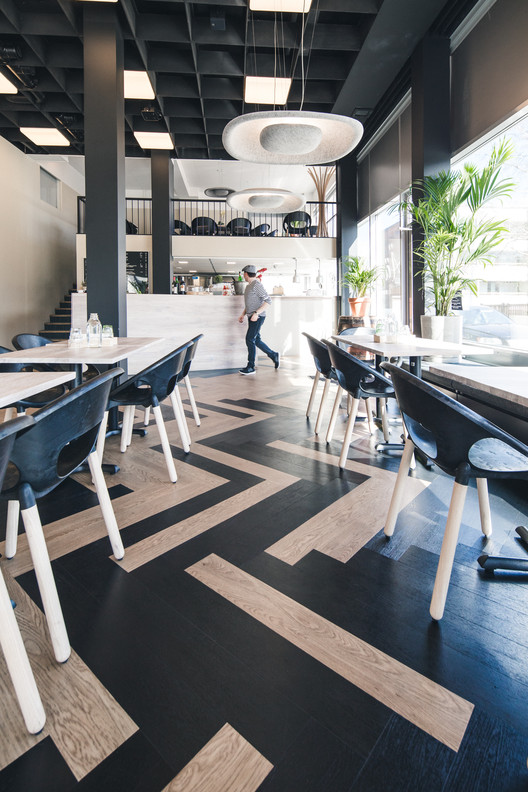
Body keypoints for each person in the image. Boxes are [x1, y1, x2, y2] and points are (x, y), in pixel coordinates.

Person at [237, 264, 280, 375]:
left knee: (249, 339)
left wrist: (256, 313)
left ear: (246, 274)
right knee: (256, 340)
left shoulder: (257, 285)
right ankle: (273, 355)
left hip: (258, 317)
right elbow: (250, 304)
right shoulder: (248, 286)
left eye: (243, 274)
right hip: (251, 316)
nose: (243, 275)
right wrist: (243, 314)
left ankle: (251, 366)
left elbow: (268, 300)